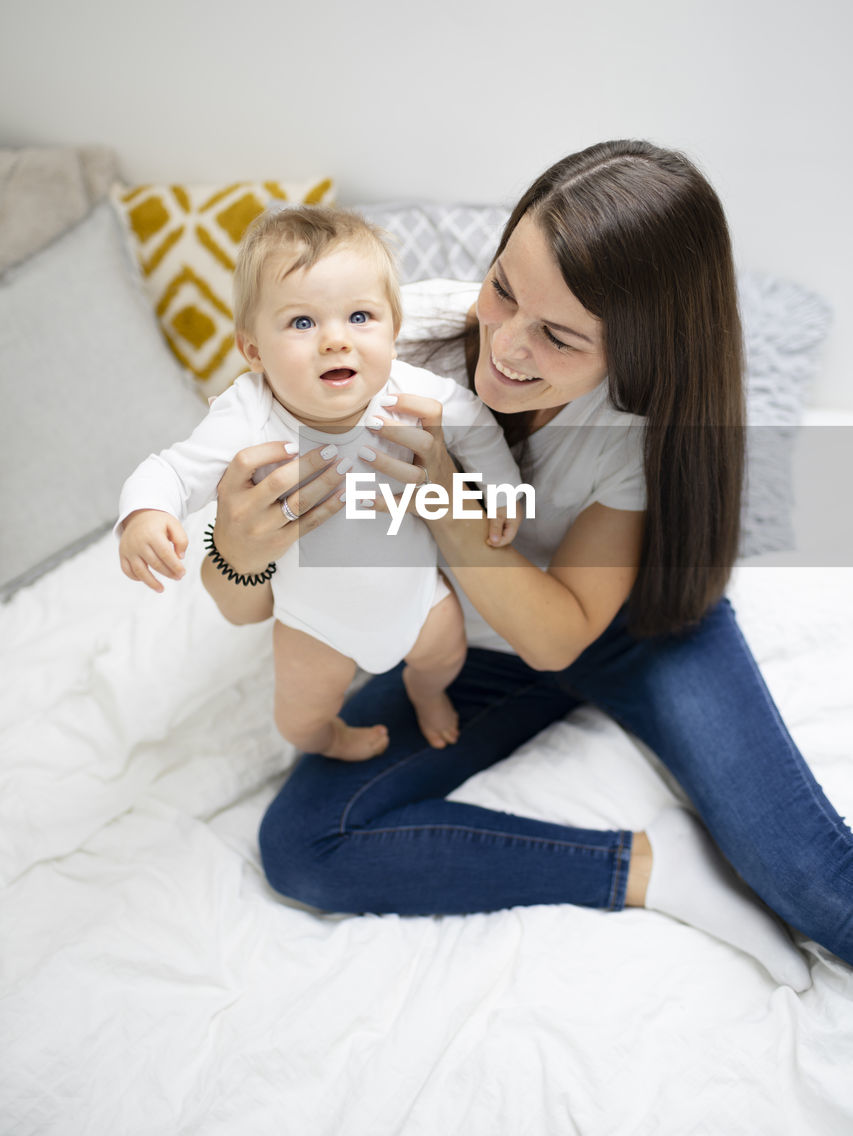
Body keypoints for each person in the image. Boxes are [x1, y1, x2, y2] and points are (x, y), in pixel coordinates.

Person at [200, 141, 853, 991]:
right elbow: (251, 599)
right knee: (305, 846)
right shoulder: (385, 350)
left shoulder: (636, 426)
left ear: (634, 350)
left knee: (821, 889)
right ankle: (650, 869)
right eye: (504, 288)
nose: (505, 345)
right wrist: (238, 552)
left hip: (630, 627)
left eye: (557, 336)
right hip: (471, 646)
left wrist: (446, 499)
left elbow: (560, 638)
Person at [117, 207, 524, 761]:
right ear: (253, 351)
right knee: (298, 720)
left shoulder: (408, 391)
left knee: (443, 660)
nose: (336, 340)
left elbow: (475, 424)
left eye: (360, 316)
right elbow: (168, 470)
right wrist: (145, 513)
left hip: (418, 600)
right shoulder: (248, 413)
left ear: (395, 329)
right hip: (314, 624)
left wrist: (500, 486)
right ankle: (329, 738)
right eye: (302, 322)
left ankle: (423, 694)